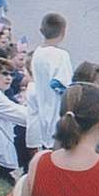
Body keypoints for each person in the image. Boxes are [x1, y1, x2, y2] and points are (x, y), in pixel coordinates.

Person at [25, 13, 73, 152]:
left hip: (43, 111)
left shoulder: (37, 54)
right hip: (57, 113)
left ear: (41, 30)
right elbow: (63, 85)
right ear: (64, 31)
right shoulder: (61, 55)